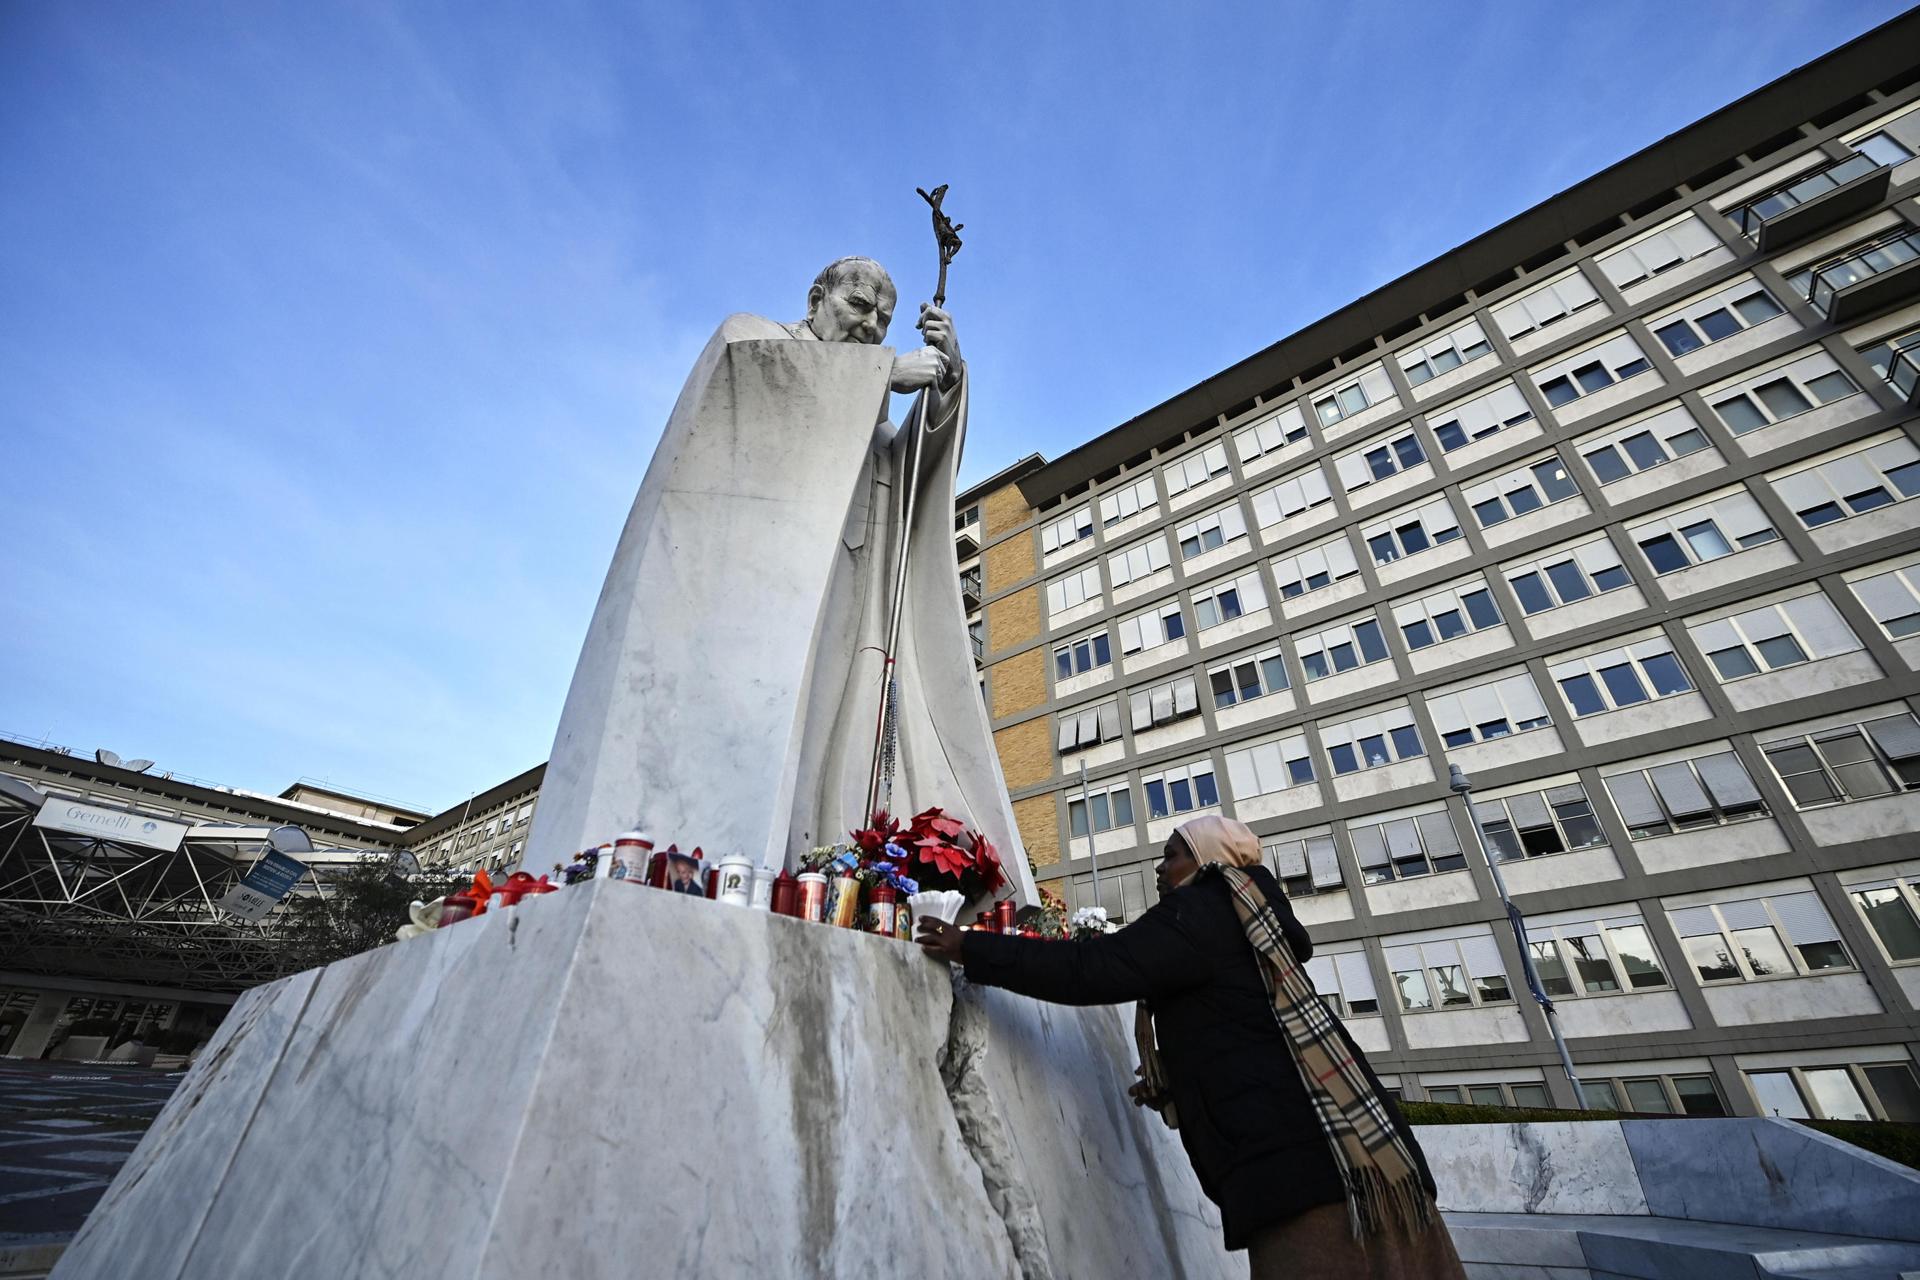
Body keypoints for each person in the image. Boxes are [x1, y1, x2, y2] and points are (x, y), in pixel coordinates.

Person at [523, 256, 1035, 905]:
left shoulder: (867, 416)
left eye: (883, 320)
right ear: (817, 297)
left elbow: (913, 474)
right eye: (858, 306)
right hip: (767, 610)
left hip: (858, 603)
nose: (871, 325)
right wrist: (880, 373)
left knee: (841, 753)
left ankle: (827, 875)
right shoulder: (753, 344)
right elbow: (754, 393)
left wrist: (948, 382)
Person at [917, 815, 1465, 1279]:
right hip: (1377, 1172)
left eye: (1171, 855)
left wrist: (971, 946)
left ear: (1207, 862)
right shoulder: (1252, 919)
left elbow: (1096, 968)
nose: (1159, 868)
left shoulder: (1205, 909)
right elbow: (1238, 1030)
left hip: (1307, 1190)